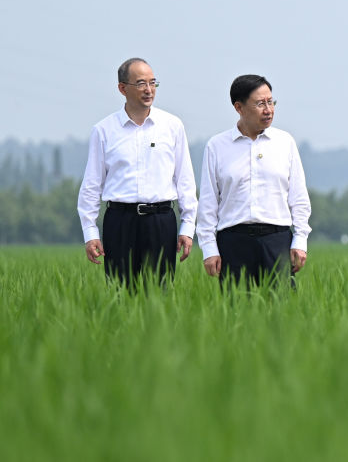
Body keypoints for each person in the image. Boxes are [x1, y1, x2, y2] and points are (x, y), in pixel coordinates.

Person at [77, 58, 198, 289]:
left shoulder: (172, 126)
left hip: (161, 220)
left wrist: (188, 227)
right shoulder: (104, 130)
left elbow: (185, 180)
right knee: (120, 293)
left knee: (160, 294)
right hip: (120, 221)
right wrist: (90, 232)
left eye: (153, 83)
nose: (149, 89)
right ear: (122, 88)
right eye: (141, 83)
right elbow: (92, 185)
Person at [197, 75, 311, 289]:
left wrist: (300, 240)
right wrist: (209, 248)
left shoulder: (284, 142)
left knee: (282, 306)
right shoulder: (217, 146)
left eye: (271, 102)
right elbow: (208, 203)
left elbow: (298, 197)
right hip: (233, 242)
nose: (268, 110)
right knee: (236, 306)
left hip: (277, 240)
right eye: (260, 104)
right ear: (239, 107)